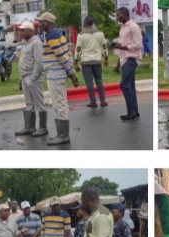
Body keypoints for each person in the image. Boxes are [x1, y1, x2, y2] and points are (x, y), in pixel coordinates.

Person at [36, 12, 78, 145]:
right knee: (60, 102)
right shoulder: (52, 33)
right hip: (56, 72)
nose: (39, 24)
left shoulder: (52, 35)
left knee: (59, 102)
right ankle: (62, 133)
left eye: (41, 22)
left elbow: (61, 55)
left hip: (56, 73)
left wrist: (71, 72)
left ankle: (63, 135)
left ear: (48, 23)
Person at [16, 21, 48, 137]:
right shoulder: (25, 43)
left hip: (32, 76)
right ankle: (29, 127)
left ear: (30, 31)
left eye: (23, 30)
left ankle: (43, 127)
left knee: (39, 102)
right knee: (29, 103)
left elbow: (39, 63)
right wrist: (22, 78)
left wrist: (33, 78)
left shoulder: (36, 43)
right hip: (25, 76)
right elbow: (24, 59)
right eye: (20, 30)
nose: (20, 32)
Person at [113, 7, 143, 121]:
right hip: (125, 59)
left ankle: (131, 112)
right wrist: (117, 63)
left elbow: (139, 45)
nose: (117, 17)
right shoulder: (122, 28)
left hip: (132, 59)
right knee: (130, 86)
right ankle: (134, 112)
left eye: (118, 14)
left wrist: (122, 46)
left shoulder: (133, 26)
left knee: (124, 85)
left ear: (125, 14)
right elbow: (122, 46)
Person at [74, 16, 109, 108]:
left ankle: (93, 102)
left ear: (85, 23)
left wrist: (76, 62)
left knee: (89, 83)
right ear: (92, 23)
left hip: (86, 62)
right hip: (97, 61)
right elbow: (104, 46)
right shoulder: (100, 33)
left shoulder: (81, 35)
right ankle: (103, 101)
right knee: (99, 81)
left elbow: (78, 49)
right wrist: (106, 58)